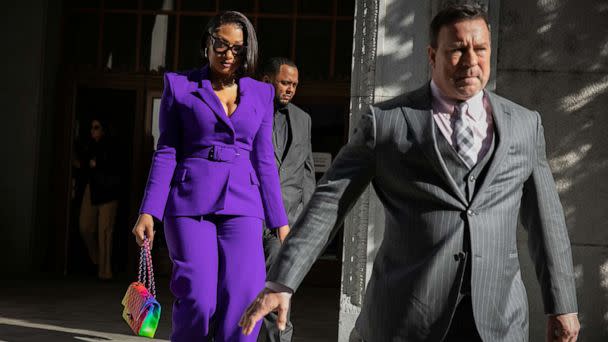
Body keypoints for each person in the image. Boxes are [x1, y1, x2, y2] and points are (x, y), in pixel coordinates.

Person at [240, 3, 580, 342]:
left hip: (499, 321)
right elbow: (329, 202)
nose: (471, 61)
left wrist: (562, 304)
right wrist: (281, 280)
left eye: (480, 49)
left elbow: (546, 221)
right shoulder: (387, 122)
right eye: (458, 49)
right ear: (432, 56)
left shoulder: (524, 124)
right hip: (408, 316)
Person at [131, 11, 289, 342]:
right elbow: (167, 151)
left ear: (247, 52)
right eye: (221, 44)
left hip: (244, 205)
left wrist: (280, 220)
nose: (228, 53)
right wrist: (149, 210)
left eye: (237, 48)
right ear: (208, 43)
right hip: (190, 206)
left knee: (243, 300)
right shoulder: (180, 86)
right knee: (198, 300)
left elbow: (264, 160)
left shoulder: (262, 94)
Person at [257, 57, 316, 342]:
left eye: (294, 84)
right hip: (249, 219)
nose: (290, 89)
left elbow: (306, 174)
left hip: (284, 228)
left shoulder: (303, 119)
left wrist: (304, 220)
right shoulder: (250, 111)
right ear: (268, 81)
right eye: (285, 82)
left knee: (279, 295)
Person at [77, 118, 121, 280]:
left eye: (96, 127)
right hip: (93, 189)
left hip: (108, 191)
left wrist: (98, 164)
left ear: (104, 130)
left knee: (105, 232)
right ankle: (97, 261)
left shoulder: (112, 146)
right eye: (91, 127)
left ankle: (105, 271)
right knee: (85, 226)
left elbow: (116, 166)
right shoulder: (89, 146)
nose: (92, 131)